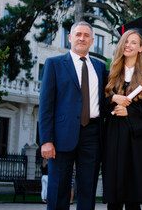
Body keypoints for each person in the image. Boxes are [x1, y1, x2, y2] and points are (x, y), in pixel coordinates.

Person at [39, 21, 107, 210]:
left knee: (87, 189)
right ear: (70, 38)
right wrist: (46, 140)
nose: (82, 38)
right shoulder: (54, 64)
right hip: (62, 135)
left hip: (92, 134)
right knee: (59, 188)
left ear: (92, 40)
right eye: (78, 34)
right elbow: (45, 105)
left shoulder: (101, 68)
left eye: (86, 35)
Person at [102, 17, 142, 210]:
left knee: (132, 197)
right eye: (126, 41)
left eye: (133, 42)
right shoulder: (110, 75)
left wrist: (129, 112)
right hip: (113, 138)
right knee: (114, 197)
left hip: (137, 140)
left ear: (141, 48)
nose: (128, 45)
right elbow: (97, 105)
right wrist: (112, 100)